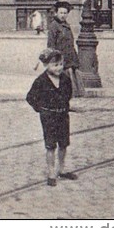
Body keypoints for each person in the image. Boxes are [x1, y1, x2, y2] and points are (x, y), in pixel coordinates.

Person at [26, 48, 77, 186]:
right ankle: (51, 172)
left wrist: (65, 106)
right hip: (49, 117)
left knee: (63, 144)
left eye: (61, 64)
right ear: (46, 65)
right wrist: (42, 110)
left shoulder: (65, 79)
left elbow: (68, 94)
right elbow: (30, 97)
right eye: (55, 65)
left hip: (62, 115)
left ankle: (61, 169)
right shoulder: (41, 81)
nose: (59, 68)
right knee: (50, 146)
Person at [47, 1, 85, 98]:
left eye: (65, 13)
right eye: (61, 13)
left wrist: (74, 56)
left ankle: (70, 97)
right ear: (56, 13)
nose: (63, 15)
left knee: (70, 79)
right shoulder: (54, 26)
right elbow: (51, 44)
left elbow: (70, 42)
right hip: (60, 58)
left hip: (70, 57)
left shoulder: (67, 25)